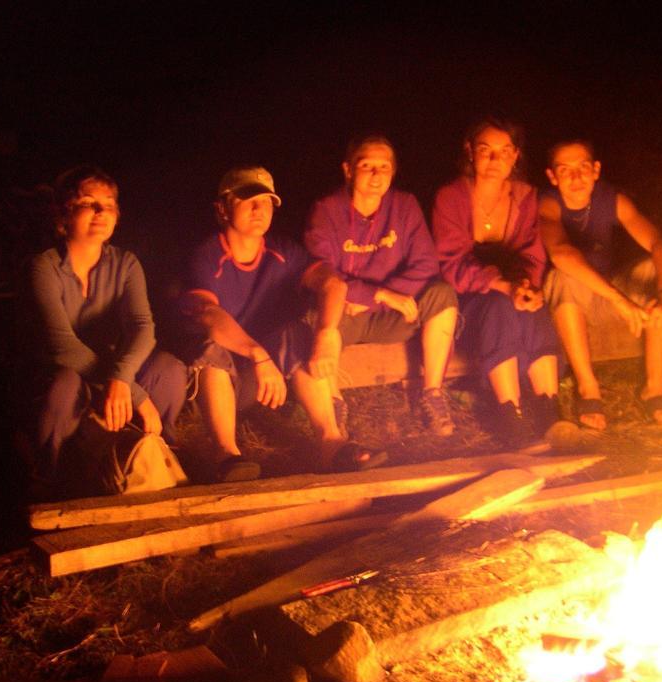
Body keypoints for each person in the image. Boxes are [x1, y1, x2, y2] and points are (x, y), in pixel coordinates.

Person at [182, 166, 385, 481]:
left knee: (298, 333)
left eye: (266, 202)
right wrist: (257, 355)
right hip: (221, 382)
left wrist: (328, 334)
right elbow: (209, 315)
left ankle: (331, 443)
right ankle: (226, 455)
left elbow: (332, 285)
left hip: (271, 377)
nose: (258, 209)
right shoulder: (206, 255)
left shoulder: (282, 251)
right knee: (210, 346)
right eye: (248, 200)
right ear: (222, 208)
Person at [21, 166, 187, 496]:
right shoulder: (43, 267)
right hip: (68, 376)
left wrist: (121, 379)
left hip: (115, 376)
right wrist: (132, 392)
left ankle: (153, 452)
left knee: (169, 369)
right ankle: (48, 474)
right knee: (63, 383)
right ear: (64, 214)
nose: (100, 212)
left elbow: (143, 328)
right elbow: (60, 345)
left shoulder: (125, 264)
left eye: (108, 204)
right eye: (87, 202)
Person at [304, 135, 459, 436]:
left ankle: (433, 395)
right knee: (317, 313)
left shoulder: (404, 206)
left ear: (393, 172)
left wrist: (382, 299)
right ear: (348, 170)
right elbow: (323, 273)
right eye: (367, 166)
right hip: (348, 315)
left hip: (393, 314)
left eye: (384, 167)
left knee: (442, 295)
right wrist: (380, 294)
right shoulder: (326, 210)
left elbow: (427, 264)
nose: (376, 175)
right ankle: (332, 404)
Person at [432, 116, 562, 445]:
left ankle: (549, 410)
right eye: (486, 150)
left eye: (505, 151)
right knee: (499, 307)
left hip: (510, 289)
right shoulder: (451, 197)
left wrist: (525, 286)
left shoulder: (524, 196)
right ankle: (511, 413)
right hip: (467, 296)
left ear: (516, 156)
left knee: (534, 308)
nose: (494, 160)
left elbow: (532, 255)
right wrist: (504, 286)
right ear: (470, 151)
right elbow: (450, 263)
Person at [539, 140, 662, 429]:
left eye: (583, 168)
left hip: (608, 292)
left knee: (653, 269)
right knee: (563, 274)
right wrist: (618, 299)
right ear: (553, 177)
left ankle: (655, 387)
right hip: (572, 301)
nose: (576, 178)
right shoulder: (548, 204)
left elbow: (660, 245)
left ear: (596, 170)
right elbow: (561, 254)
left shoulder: (612, 200)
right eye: (565, 171)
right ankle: (588, 389)